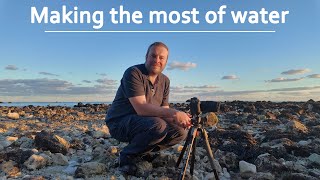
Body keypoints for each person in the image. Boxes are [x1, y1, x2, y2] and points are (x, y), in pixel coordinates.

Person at [105, 42, 191, 175]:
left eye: (161, 58)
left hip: (144, 123)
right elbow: (141, 108)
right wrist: (175, 113)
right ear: (146, 56)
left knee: (180, 131)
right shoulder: (133, 73)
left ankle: (144, 152)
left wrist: (181, 120)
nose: (157, 60)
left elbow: (164, 110)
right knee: (158, 125)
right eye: (153, 56)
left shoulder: (165, 81)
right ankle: (127, 155)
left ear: (166, 61)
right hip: (119, 123)